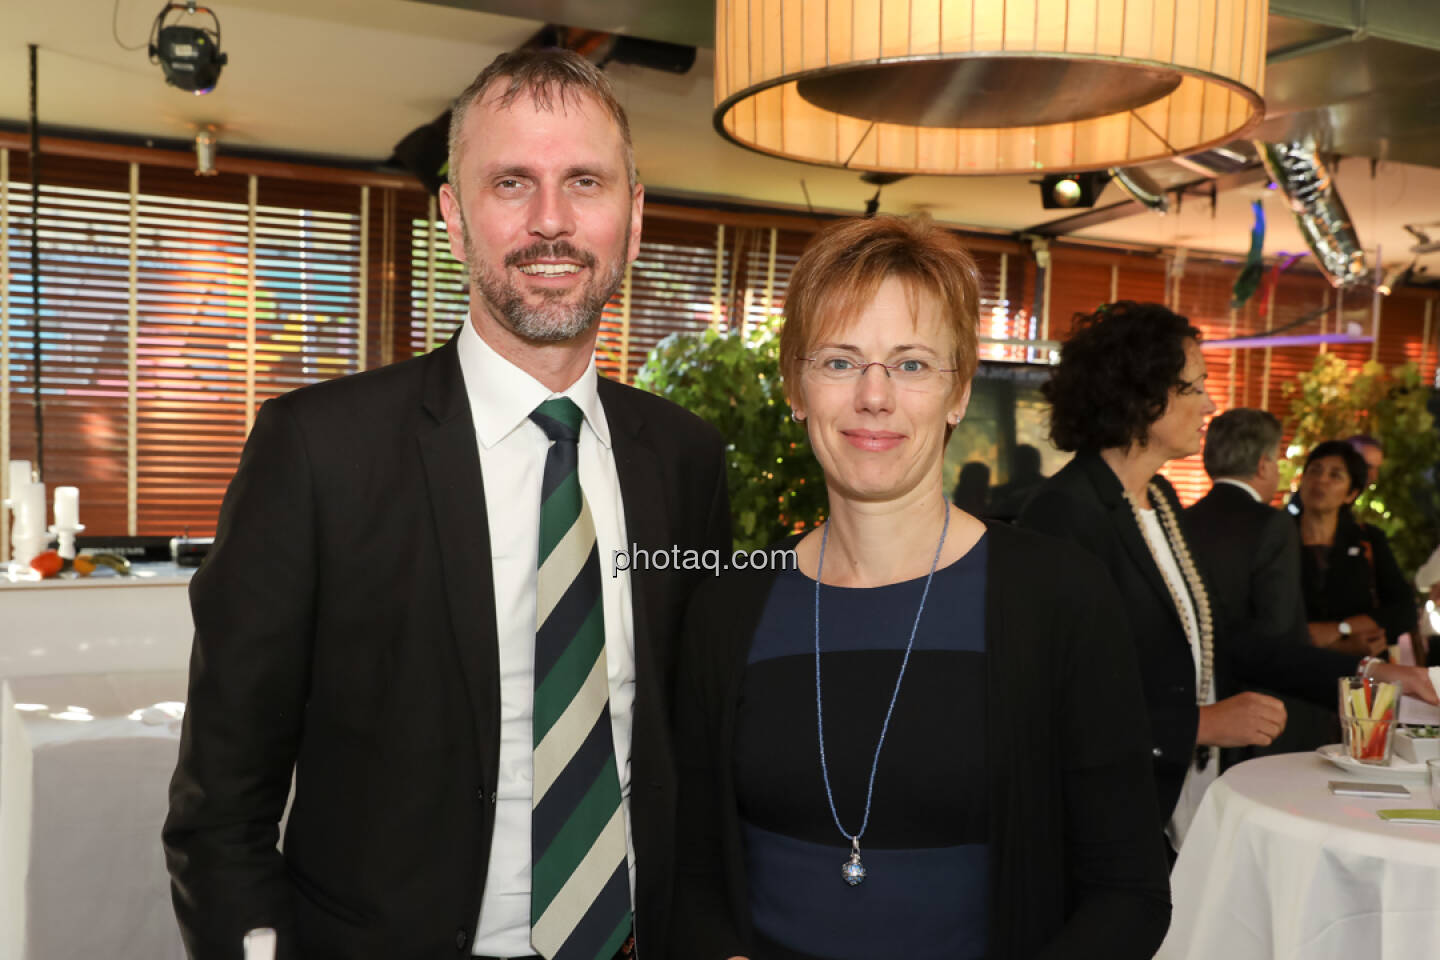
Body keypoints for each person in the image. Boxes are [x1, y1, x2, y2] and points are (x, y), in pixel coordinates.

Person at [163, 50, 731, 960]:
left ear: (633, 216)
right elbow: (221, 804)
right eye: (512, 183)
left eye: (584, 181)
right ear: (455, 220)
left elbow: (693, 747)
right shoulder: (316, 452)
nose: (552, 221)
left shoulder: (686, 459)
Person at [673, 218, 1171, 960]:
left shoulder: (1058, 597)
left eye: (910, 365)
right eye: (840, 362)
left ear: (957, 393)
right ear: (796, 389)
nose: (875, 397)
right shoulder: (729, 605)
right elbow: (687, 868)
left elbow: (1128, 890)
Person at [1016, 302, 1436, 850]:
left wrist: (1369, 669)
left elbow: (1225, 639)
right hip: (1101, 815)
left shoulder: (1161, 498)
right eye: (1195, 388)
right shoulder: (1065, 512)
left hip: (1179, 795)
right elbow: (1046, 697)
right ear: (1142, 394)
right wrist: (1197, 725)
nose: (1211, 404)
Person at [1185, 409, 1334, 760]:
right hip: (1267, 709)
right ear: (1264, 465)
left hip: (1206, 698)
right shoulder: (1272, 524)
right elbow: (1278, 626)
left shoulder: (1184, 519)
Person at [1295, 440, 1416, 653]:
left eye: (1335, 475)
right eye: (1315, 471)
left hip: (1358, 672)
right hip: (1294, 668)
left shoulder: (1367, 539)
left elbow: (1404, 611)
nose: (1321, 481)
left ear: (1351, 494)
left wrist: (1340, 629)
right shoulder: (1278, 538)